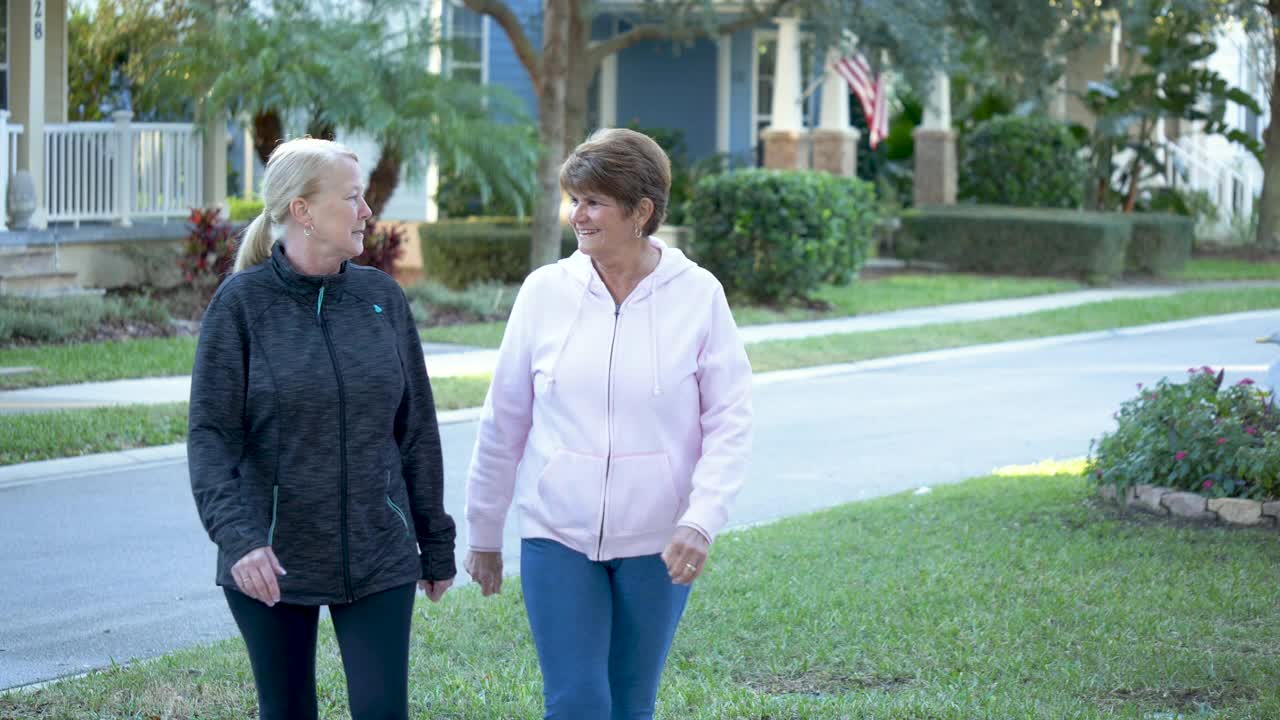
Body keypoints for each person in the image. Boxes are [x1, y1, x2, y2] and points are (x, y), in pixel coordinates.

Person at [464, 128, 753, 719]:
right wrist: (485, 531)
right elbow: (505, 420)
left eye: (593, 201)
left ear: (641, 211)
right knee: (577, 701)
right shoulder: (544, 292)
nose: (578, 215)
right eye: (575, 199)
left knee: (629, 703)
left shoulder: (698, 295)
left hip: (660, 540)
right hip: (556, 534)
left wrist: (701, 520)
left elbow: (730, 420)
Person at [187, 137, 456, 720]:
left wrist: (434, 541)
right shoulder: (241, 306)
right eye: (353, 199)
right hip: (272, 560)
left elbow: (416, 431)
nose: (366, 212)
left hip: (378, 549)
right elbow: (210, 437)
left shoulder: (382, 298)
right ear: (303, 211)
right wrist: (240, 537)